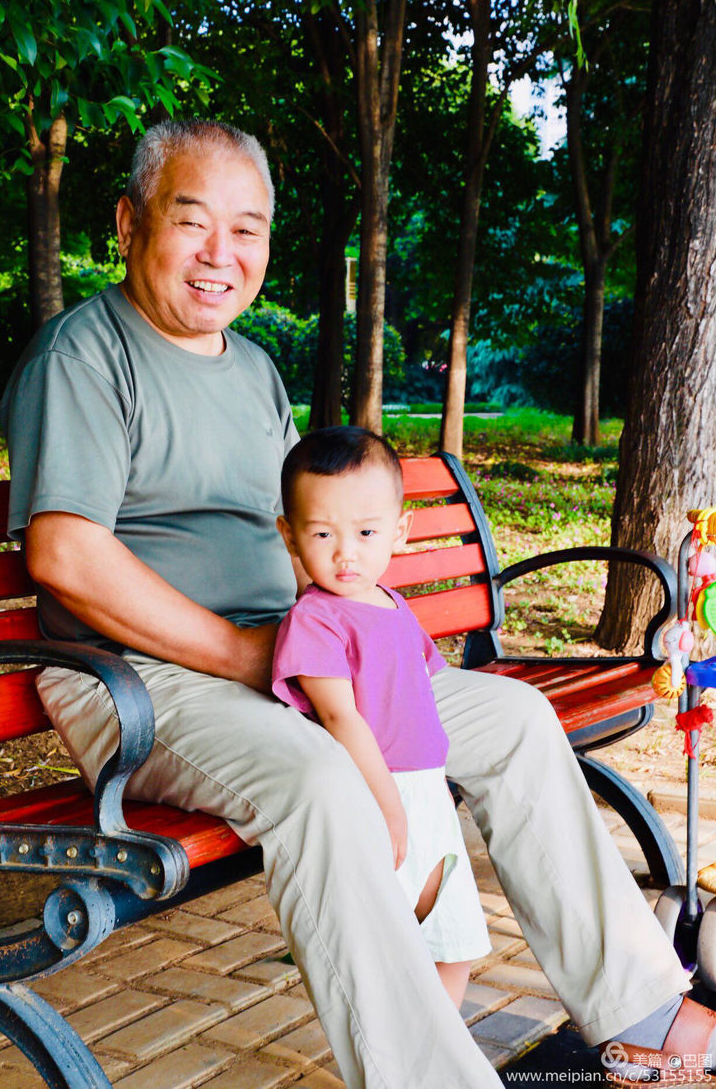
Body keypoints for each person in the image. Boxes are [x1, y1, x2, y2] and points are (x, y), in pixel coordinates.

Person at [0, 117, 716, 1088]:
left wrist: (368, 628)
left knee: (512, 717)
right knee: (324, 780)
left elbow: (306, 531)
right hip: (146, 681)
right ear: (131, 224)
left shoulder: (252, 369)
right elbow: (67, 556)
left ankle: (642, 1014)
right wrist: (252, 654)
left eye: (248, 229)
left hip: (294, 652)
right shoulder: (84, 356)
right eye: (193, 221)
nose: (223, 254)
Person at [272, 426, 492, 1010]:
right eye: (322, 534)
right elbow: (340, 718)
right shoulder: (315, 620)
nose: (346, 553)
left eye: (366, 532)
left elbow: (424, 684)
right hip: (374, 791)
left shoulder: (393, 605)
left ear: (399, 530)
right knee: (385, 944)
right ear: (290, 536)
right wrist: (389, 808)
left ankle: (436, 1052)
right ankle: (396, 1059)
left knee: (454, 941)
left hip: (424, 788)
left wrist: (436, 785)